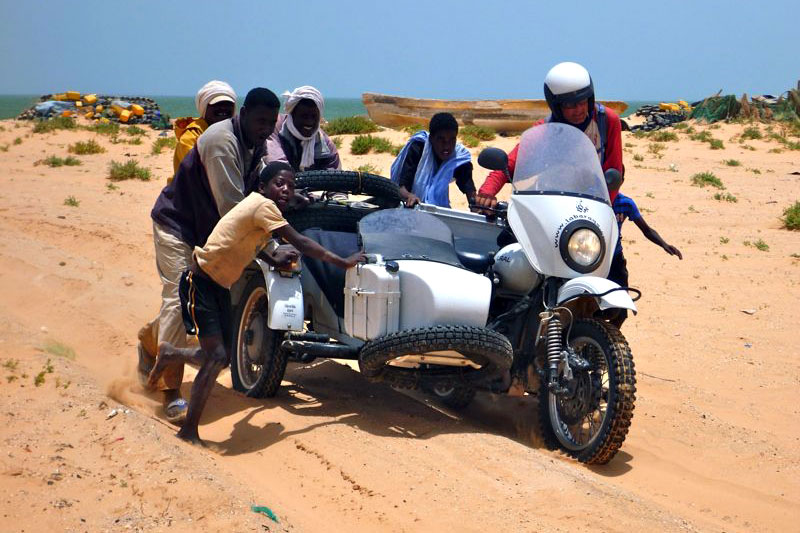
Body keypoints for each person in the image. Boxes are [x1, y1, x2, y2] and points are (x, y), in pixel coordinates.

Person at [147, 162, 364, 444]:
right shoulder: (263, 207)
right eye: (279, 184)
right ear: (262, 187)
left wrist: (277, 257)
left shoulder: (259, 213)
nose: (286, 189)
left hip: (219, 286)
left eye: (290, 185)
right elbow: (301, 241)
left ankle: (170, 354)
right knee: (215, 358)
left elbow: (257, 249)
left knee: (222, 357)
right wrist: (342, 261)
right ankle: (188, 431)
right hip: (200, 283)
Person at [137, 88, 280, 424]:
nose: (266, 129)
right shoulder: (221, 142)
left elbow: (257, 189)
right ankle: (170, 393)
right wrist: (271, 249)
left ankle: (149, 341)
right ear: (242, 114)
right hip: (179, 226)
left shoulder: (254, 142)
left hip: (209, 234)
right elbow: (233, 209)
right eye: (261, 120)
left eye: (272, 123)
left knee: (194, 307)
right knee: (176, 299)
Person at [475, 62, 623, 210]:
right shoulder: (544, 130)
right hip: (552, 204)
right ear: (556, 105)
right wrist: (487, 192)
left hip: (594, 202)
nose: (578, 110)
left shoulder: (606, 121)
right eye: (569, 105)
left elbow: (614, 169)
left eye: (582, 102)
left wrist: (605, 207)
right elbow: (511, 163)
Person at [607, 175, 682, 327]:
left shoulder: (625, 204)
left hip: (615, 258)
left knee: (621, 312)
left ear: (621, 180)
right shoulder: (593, 201)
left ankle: (607, 345)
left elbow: (646, 230)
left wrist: (664, 244)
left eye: (615, 178)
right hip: (591, 257)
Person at [390, 112, 474, 208]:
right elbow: (401, 187)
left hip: (437, 213)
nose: (447, 146)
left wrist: (476, 205)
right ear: (431, 139)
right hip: (409, 208)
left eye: (452, 140)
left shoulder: (458, 157)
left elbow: (469, 189)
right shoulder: (419, 148)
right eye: (441, 139)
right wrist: (409, 196)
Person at [264, 85, 340, 172]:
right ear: (292, 115)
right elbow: (278, 167)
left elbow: (334, 173)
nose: (309, 122)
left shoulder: (324, 143)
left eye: (314, 117)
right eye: (304, 116)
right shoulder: (275, 127)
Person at [172, 80, 237, 177]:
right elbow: (196, 173)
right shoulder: (190, 138)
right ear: (204, 108)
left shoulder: (236, 133)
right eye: (217, 104)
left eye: (227, 104)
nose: (223, 108)